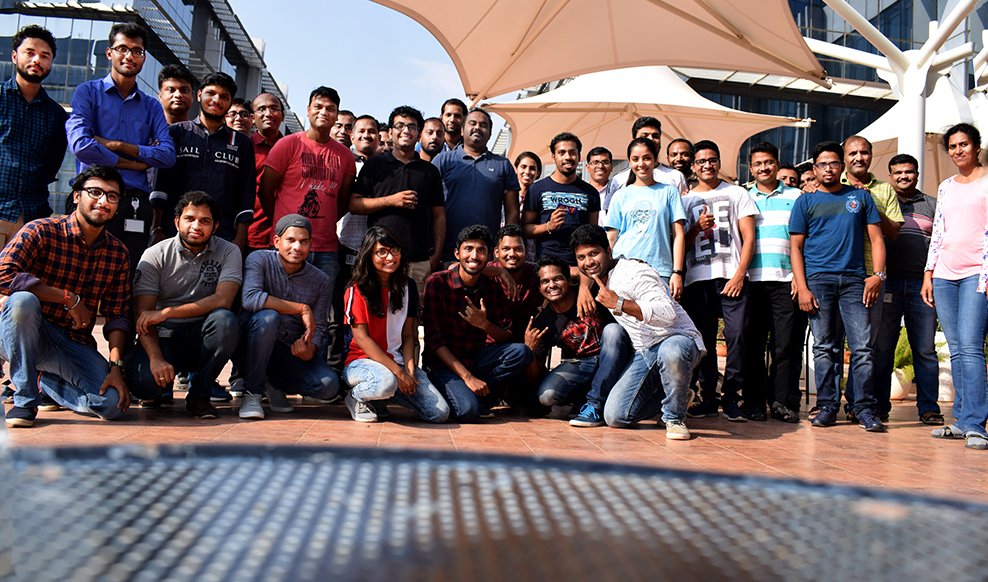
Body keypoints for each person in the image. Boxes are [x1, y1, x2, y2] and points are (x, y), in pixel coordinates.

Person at [1, 165, 132, 428]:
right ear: (76, 196)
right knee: (23, 301)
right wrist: (68, 298)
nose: (103, 201)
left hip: (72, 342)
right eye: (94, 192)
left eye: (112, 196)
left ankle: (43, 382)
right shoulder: (40, 230)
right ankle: (25, 399)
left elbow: (118, 314)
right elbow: (4, 273)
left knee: (110, 405)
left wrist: (116, 367)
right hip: (25, 332)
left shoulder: (118, 253)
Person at [571, 224, 704, 439]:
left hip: (677, 339)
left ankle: (674, 417)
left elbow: (668, 313)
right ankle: (678, 394)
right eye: (581, 257)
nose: (588, 262)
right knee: (615, 417)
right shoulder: (601, 279)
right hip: (645, 349)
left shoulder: (635, 272)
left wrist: (619, 303)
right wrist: (584, 288)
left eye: (594, 253)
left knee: (671, 350)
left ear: (608, 251)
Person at [789, 141, 886, 432]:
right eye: (822, 164)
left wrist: (878, 275)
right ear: (814, 168)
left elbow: (877, 239)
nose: (828, 168)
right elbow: (795, 247)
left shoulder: (860, 197)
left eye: (833, 163)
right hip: (819, 281)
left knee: (863, 348)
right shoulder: (805, 201)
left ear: (842, 166)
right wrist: (803, 287)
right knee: (824, 348)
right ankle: (828, 406)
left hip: (856, 281)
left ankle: (864, 408)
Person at [66, 22, 176, 276]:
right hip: (90, 194)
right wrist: (131, 161)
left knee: (125, 275)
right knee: (75, 270)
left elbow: (167, 155)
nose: (129, 56)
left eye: (136, 51)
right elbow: (81, 146)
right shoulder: (88, 93)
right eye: (122, 48)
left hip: (133, 200)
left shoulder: (151, 106)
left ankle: (120, 318)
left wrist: (114, 145)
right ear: (109, 52)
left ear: (144, 57)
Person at [127, 191, 242, 419]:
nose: (196, 226)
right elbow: (143, 315)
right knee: (144, 388)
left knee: (225, 321)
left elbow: (222, 300)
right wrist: (156, 359)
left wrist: (167, 312)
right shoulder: (154, 254)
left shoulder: (229, 251)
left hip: (203, 334)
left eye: (205, 221)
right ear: (177, 221)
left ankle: (199, 395)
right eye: (189, 218)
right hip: (165, 334)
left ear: (215, 226)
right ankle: (160, 385)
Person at [680, 140, 758, 422]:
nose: (707, 165)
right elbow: (681, 243)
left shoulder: (737, 193)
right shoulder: (685, 199)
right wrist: (695, 228)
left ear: (719, 161)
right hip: (697, 280)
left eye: (712, 160)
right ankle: (708, 396)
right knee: (705, 342)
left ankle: (732, 398)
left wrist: (739, 274)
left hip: (732, 277)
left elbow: (749, 237)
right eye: (701, 161)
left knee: (738, 337)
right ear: (693, 166)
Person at [422, 224, 533, 422]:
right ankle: (471, 395)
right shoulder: (437, 282)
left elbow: (507, 335)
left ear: (489, 257)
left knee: (522, 352)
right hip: (443, 365)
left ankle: (481, 393)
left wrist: (484, 324)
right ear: (457, 253)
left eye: (481, 251)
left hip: (476, 359)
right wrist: (467, 377)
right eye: (468, 249)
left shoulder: (491, 287)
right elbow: (433, 340)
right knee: (468, 412)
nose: (474, 256)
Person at [922, 123, 988, 450]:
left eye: (963, 145)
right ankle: (961, 420)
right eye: (952, 146)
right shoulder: (946, 186)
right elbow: (938, 231)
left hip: (978, 272)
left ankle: (976, 424)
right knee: (957, 348)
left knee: (972, 346)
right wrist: (928, 273)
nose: (958, 151)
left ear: (976, 147)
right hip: (944, 274)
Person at [235, 214, 338, 420]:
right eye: (290, 240)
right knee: (268, 317)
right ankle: (252, 392)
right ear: (276, 241)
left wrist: (312, 349)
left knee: (328, 386)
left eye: (304, 241)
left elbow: (318, 327)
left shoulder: (321, 280)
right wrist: (301, 308)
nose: (297, 247)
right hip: (250, 343)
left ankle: (273, 384)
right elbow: (250, 298)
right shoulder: (260, 259)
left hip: (286, 350)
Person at [342, 226, 450, 423]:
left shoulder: (407, 287)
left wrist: (409, 372)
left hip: (397, 362)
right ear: (369, 255)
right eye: (381, 252)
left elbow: (409, 335)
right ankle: (356, 397)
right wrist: (398, 373)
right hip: (360, 363)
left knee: (439, 413)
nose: (390, 258)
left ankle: (381, 400)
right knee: (385, 381)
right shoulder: (356, 290)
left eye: (395, 251)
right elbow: (362, 339)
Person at [258, 86, 357, 287]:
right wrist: (281, 225)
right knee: (278, 308)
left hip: (325, 248)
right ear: (308, 110)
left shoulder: (346, 156)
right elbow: (265, 192)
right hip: (286, 245)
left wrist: (325, 221)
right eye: (318, 106)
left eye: (330, 108)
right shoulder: (288, 144)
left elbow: (344, 201)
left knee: (318, 312)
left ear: (336, 115)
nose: (323, 112)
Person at [348, 106, 445, 302]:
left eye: (412, 127)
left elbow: (439, 216)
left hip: (417, 260)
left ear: (418, 135)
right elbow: (354, 205)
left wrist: (435, 255)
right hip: (378, 257)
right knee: (376, 314)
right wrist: (391, 201)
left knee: (411, 321)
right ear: (391, 132)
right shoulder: (374, 166)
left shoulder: (430, 171)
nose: (406, 130)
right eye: (400, 125)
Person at [149, 72, 256, 248]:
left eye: (224, 96)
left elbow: (246, 195)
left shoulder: (243, 143)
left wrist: (240, 238)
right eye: (211, 93)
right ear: (199, 95)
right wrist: (157, 228)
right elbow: (160, 184)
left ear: (230, 102)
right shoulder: (176, 133)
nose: (216, 100)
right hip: (173, 233)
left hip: (222, 236)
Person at [874, 154, 942, 425]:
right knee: (882, 349)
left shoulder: (932, 205)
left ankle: (928, 408)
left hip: (921, 285)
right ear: (890, 176)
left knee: (924, 349)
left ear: (916, 173)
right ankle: (879, 406)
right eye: (898, 172)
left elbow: (940, 245)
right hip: (886, 283)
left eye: (909, 172)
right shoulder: (882, 202)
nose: (904, 176)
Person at [525, 254, 631, 427]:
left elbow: (588, 271)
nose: (552, 285)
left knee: (613, 331)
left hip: (614, 356)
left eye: (557, 279)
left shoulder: (590, 293)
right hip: (583, 364)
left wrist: (584, 288)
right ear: (539, 287)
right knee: (546, 396)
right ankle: (582, 399)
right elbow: (534, 378)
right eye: (545, 282)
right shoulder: (542, 321)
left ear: (569, 280)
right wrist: (529, 351)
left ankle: (595, 403)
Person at [839, 135, 903, 421]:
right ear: (844, 157)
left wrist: (866, 201)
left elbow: (893, 232)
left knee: (865, 345)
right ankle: (829, 402)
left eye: (864, 153)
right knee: (829, 344)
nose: (859, 158)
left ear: (871, 156)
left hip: (871, 277)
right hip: (835, 276)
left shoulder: (885, 190)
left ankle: (857, 404)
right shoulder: (829, 184)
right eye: (853, 153)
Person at [743, 142, 805, 423]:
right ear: (751, 168)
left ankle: (783, 402)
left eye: (768, 162)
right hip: (752, 281)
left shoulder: (798, 196)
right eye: (757, 164)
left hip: (786, 281)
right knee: (753, 345)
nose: (763, 168)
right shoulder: (744, 198)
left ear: (778, 165)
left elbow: (805, 241)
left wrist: (799, 278)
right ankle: (753, 401)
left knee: (785, 346)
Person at [0, 25, 67, 245]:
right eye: (29, 52)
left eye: (44, 55)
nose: (37, 59)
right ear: (14, 56)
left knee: (23, 280)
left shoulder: (56, 115)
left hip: (31, 219)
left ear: (51, 63)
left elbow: (51, 167)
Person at [433, 109, 520, 261]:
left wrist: (504, 249)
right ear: (462, 130)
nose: (477, 127)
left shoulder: (503, 165)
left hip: (487, 253)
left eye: (483, 125)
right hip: (448, 251)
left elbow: (512, 212)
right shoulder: (443, 160)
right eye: (472, 123)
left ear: (490, 134)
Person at [603, 138, 686, 298]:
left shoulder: (669, 192)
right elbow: (611, 237)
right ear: (629, 161)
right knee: (624, 320)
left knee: (659, 319)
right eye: (635, 159)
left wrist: (677, 272)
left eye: (647, 158)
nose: (641, 164)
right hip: (623, 268)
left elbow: (678, 235)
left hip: (660, 270)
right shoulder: (620, 195)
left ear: (655, 160)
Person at [522, 132, 600, 268]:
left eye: (572, 152)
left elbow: (592, 232)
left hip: (580, 264)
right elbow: (525, 229)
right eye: (562, 153)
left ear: (579, 156)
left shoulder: (591, 192)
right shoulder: (537, 189)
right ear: (553, 157)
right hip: (546, 263)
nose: (568, 157)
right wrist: (548, 226)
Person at [487, 224, 543, 344]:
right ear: (496, 252)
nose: (512, 254)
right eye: (506, 249)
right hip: (491, 343)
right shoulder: (489, 271)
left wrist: (584, 288)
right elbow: (455, 267)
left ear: (526, 251)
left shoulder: (535, 272)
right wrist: (500, 271)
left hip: (529, 342)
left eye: (518, 249)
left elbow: (575, 272)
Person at [245, 93, 285, 256]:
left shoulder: (294, 148)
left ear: (282, 116)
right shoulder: (245, 147)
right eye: (262, 109)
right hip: (250, 236)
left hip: (285, 239)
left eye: (274, 109)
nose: (268, 113)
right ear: (253, 118)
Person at [609, 117, 687, 194]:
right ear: (634, 142)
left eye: (655, 136)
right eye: (644, 136)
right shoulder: (619, 180)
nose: (651, 139)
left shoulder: (676, 176)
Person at [584, 147, 619, 225]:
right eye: (595, 162)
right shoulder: (581, 191)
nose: (600, 166)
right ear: (587, 167)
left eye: (605, 162)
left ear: (611, 167)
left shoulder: (618, 192)